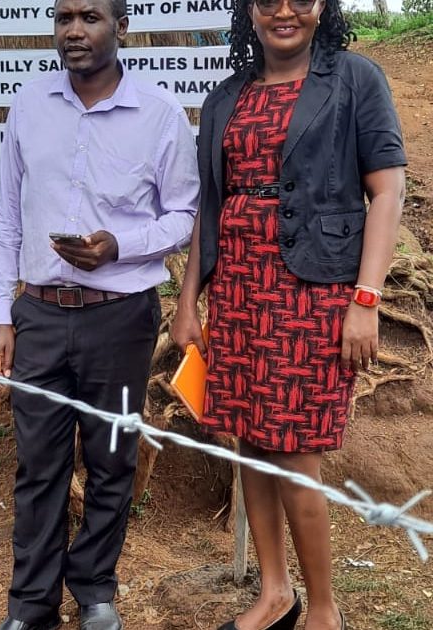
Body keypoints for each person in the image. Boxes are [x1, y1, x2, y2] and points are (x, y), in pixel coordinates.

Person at [171, 0, 406, 627]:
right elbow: (211, 207)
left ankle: (324, 611)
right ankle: (275, 594)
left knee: (298, 451)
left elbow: (387, 191)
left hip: (315, 292)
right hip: (238, 289)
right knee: (249, 440)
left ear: (321, 7)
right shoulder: (225, 98)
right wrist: (188, 301)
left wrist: (366, 298)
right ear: (247, 10)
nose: (284, 11)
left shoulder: (355, 79)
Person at [0, 1, 200, 628]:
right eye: (64, 18)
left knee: (111, 458)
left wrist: (118, 246)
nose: (74, 30)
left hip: (120, 318)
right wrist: (0, 314)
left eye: (91, 17)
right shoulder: (29, 105)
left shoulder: (159, 114)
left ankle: (96, 590)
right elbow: (6, 213)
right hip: (40, 316)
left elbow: (185, 215)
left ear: (121, 27)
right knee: (39, 464)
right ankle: (31, 604)